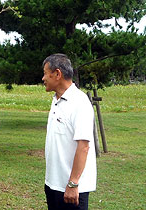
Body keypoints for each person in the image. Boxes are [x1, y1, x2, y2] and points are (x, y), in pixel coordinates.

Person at [42, 54, 97, 210]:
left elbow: (84, 146)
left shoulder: (79, 103)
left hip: (72, 189)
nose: (43, 78)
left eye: (46, 73)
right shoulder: (56, 100)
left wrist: (73, 183)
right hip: (53, 185)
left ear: (58, 74)